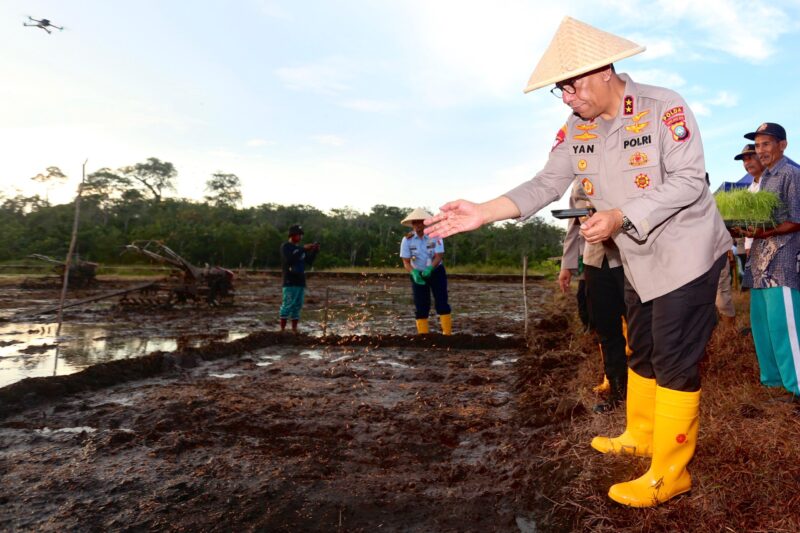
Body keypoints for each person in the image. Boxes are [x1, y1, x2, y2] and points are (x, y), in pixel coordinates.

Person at [424, 17, 730, 507]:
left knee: (674, 358)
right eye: (559, 90)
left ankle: (670, 474)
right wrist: (484, 212)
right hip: (637, 257)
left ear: (605, 70)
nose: (567, 97)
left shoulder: (661, 107)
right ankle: (642, 434)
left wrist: (619, 215)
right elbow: (546, 183)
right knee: (643, 349)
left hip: (687, 252)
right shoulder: (575, 129)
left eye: (572, 84)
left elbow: (691, 181)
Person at [739, 123, 800, 397]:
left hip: (783, 261)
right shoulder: (763, 179)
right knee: (762, 327)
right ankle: (774, 382)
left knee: (784, 326)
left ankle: (796, 386)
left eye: (766, 144)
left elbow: (796, 219)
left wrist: (766, 231)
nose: (761, 150)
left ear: (782, 145)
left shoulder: (791, 174)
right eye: (758, 145)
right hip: (759, 262)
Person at [559, 180, 628, 412]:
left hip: (629, 258)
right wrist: (567, 265)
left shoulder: (622, 170)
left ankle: (647, 389)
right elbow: (573, 224)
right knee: (606, 328)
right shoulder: (579, 183)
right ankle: (618, 392)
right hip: (595, 262)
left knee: (640, 327)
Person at [399, 208, 452, 335]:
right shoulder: (407, 240)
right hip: (417, 273)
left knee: (442, 302)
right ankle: (423, 336)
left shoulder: (436, 235)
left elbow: (439, 255)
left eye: (421, 222)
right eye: (415, 222)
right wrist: (414, 273)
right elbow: (406, 261)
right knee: (421, 305)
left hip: (436, 271)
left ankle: (447, 334)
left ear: (426, 222)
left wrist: (430, 268)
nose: (418, 225)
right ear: (412, 224)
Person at [279, 224, 319, 333]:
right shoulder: (286, 247)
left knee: (297, 305)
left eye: (301, 235)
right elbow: (289, 260)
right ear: (292, 235)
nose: (300, 237)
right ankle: (282, 329)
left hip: (300, 281)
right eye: (298, 235)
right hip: (289, 281)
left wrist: (314, 251)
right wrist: (303, 249)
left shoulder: (300, 249)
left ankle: (294, 329)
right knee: (287, 305)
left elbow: (309, 261)